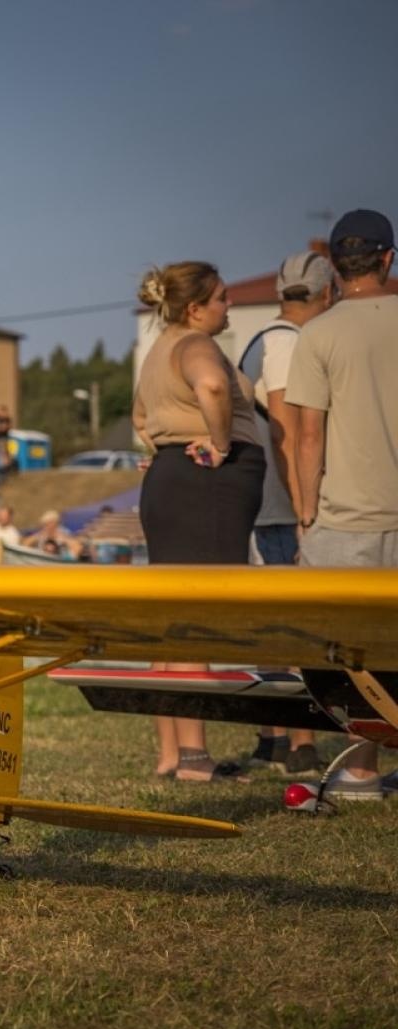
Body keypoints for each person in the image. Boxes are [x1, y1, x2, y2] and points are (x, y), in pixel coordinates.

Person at [133, 261, 265, 782]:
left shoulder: (157, 350)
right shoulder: (195, 344)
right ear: (195, 308)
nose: (228, 305)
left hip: (171, 480)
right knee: (195, 620)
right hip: (207, 483)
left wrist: (167, 450)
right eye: (222, 298)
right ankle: (193, 758)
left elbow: (143, 420)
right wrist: (221, 441)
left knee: (172, 622)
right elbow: (212, 386)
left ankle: (172, 753)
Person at [287, 208, 398, 801]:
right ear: (387, 259)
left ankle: (360, 770)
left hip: (347, 516)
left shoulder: (319, 334)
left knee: (355, 657)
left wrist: (307, 513)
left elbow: (309, 436)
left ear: (335, 266)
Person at [234, 250, 336, 775]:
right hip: (278, 504)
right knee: (294, 629)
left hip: (260, 500)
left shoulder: (261, 338)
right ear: (326, 294)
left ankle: (273, 737)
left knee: (269, 628)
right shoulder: (288, 344)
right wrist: (305, 507)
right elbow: (288, 431)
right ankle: (300, 742)